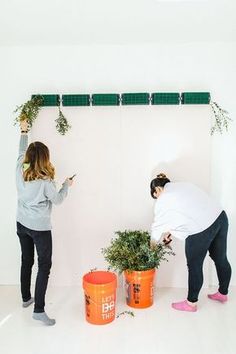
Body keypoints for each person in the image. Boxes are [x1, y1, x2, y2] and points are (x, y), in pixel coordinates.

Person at [16, 120, 73, 325]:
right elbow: (57, 200)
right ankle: (38, 310)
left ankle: (25, 298)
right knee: (44, 265)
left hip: (21, 224)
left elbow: (21, 151)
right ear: (45, 159)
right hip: (39, 228)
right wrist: (66, 185)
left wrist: (24, 131)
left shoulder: (20, 171)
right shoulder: (46, 182)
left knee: (26, 260)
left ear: (29, 159)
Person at [150, 173, 232, 312]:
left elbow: (156, 228)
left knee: (194, 265)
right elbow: (185, 214)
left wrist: (151, 249)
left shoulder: (163, 199)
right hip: (220, 217)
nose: (156, 199)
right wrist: (170, 234)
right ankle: (223, 293)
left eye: (155, 195)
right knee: (221, 258)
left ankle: (191, 303)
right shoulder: (183, 186)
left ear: (157, 189)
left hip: (201, 228)